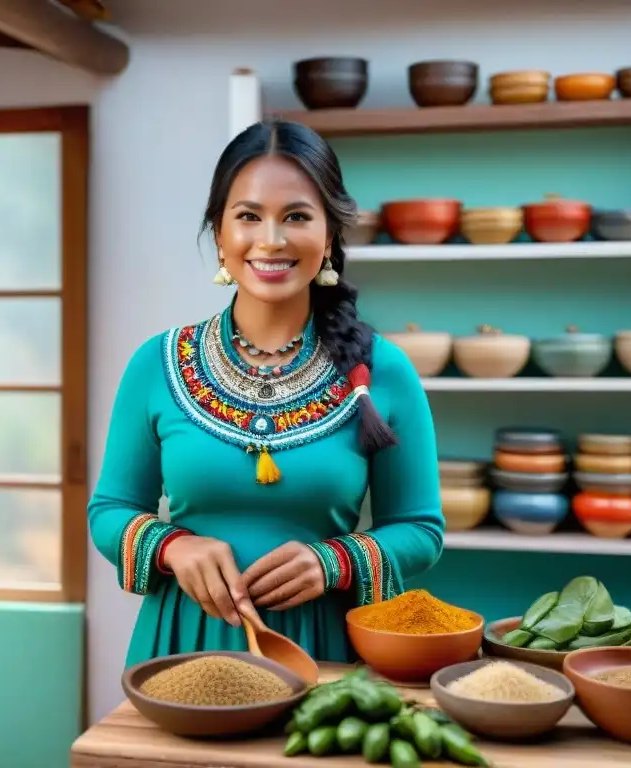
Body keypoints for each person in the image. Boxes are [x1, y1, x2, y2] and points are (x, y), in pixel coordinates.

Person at [88, 118, 443, 667]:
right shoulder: (155, 365)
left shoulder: (382, 371)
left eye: (296, 216)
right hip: (182, 647)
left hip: (321, 652)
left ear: (328, 235)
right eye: (248, 216)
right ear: (219, 233)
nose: (271, 239)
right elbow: (110, 511)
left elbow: (421, 530)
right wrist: (173, 546)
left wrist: (335, 561)